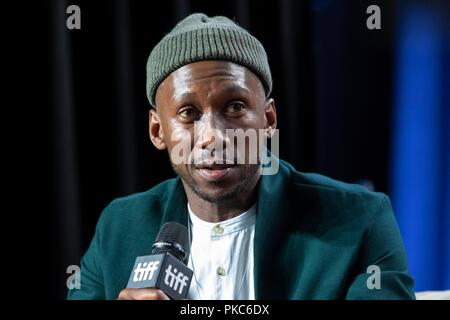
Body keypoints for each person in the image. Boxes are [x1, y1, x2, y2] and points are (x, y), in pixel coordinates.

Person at [67, 13, 415, 300]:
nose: (213, 136)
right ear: (158, 131)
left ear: (268, 120)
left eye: (235, 107)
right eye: (188, 112)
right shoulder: (118, 227)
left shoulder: (360, 220)